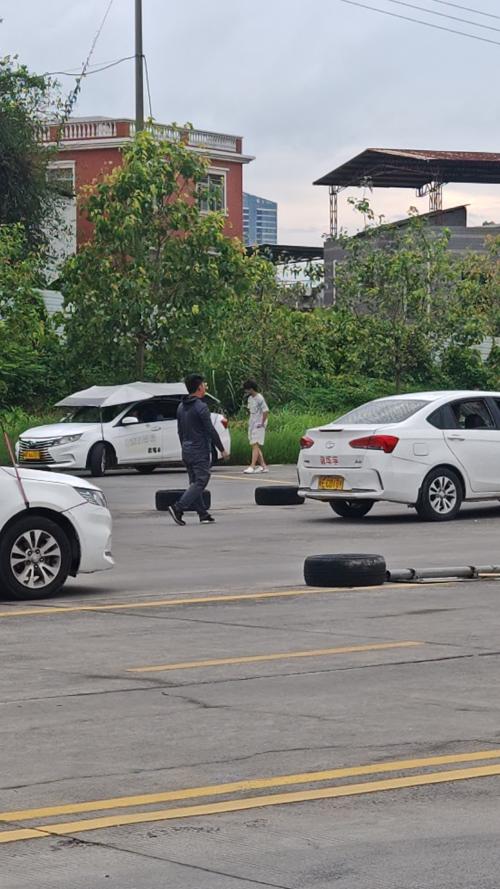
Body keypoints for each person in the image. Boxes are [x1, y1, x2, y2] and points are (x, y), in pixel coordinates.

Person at [168, 373, 229, 526]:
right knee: (201, 480)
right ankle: (178, 508)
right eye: (203, 385)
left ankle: (203, 514)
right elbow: (210, 430)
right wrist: (222, 449)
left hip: (186, 449)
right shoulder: (201, 407)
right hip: (199, 450)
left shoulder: (181, 406)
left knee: (195, 483)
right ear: (199, 387)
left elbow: (180, 431)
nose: (205, 387)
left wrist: (184, 447)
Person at [243, 379, 269, 474]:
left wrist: (262, 423)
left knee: (255, 444)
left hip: (259, 424)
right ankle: (263, 466)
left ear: (251, 389)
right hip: (252, 423)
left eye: (247, 389)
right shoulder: (250, 399)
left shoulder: (259, 398)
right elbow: (251, 411)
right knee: (254, 445)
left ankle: (252, 466)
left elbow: (266, 411)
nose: (246, 391)